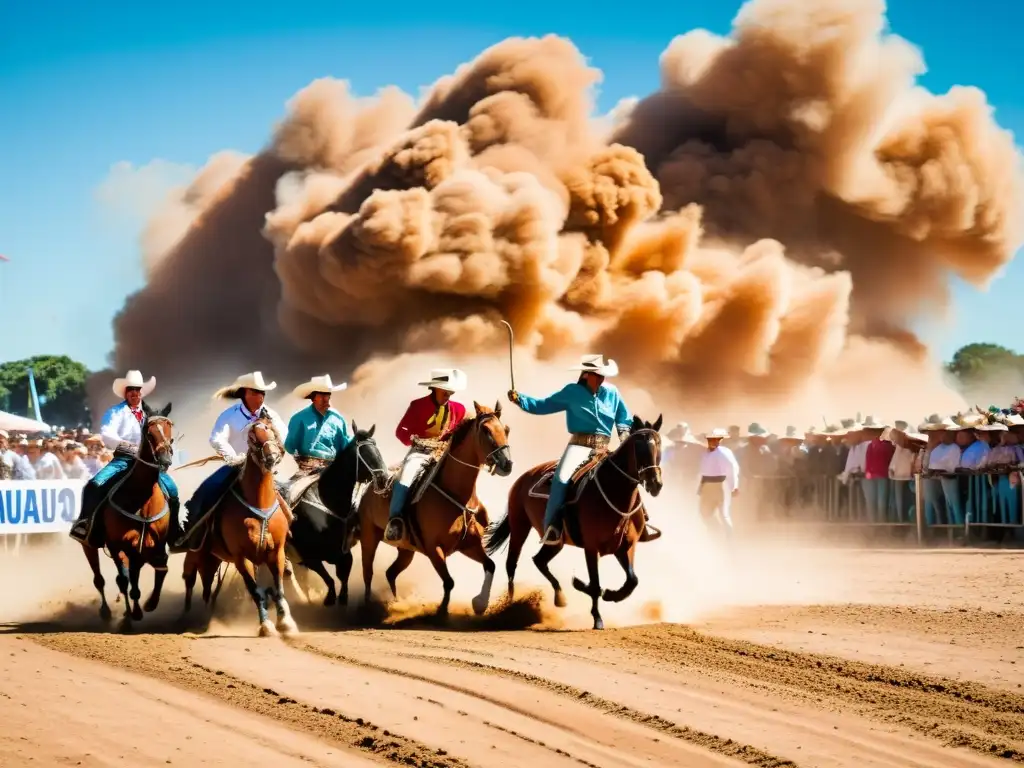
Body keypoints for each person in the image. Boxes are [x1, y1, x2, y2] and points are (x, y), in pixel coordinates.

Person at [508, 354, 656, 546]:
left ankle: (641, 521)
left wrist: (624, 436)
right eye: (597, 375)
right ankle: (552, 527)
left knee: (628, 474)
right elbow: (543, 405)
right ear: (586, 375)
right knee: (561, 478)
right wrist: (520, 399)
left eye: (603, 375)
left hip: (604, 447)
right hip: (579, 446)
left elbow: (623, 417)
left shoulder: (612, 392)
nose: (601, 378)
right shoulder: (572, 392)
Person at [171, 372, 287, 553]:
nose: (262, 396)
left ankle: (294, 542)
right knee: (206, 491)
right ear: (245, 393)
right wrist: (233, 457)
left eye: (263, 392)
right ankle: (192, 535)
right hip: (235, 466)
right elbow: (217, 439)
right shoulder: (229, 415)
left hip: (264, 468)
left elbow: (284, 435)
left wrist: (274, 451)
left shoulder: (271, 415)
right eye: (257, 392)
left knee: (287, 495)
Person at [68, 370, 180, 546]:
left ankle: (174, 531)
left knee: (172, 490)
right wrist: (128, 446)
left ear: (142, 392)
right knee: (93, 485)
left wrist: (163, 455)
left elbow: (162, 437)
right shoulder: (115, 412)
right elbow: (107, 434)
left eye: (138, 389)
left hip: (150, 463)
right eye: (131, 389)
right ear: (125, 392)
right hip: (123, 460)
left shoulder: (151, 414)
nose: (135, 393)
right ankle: (85, 524)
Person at [384, 368, 468, 544]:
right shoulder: (417, 405)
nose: (449, 394)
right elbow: (401, 431)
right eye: (445, 390)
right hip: (420, 453)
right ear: (435, 388)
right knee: (405, 479)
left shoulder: (459, 409)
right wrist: (412, 440)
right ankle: (395, 521)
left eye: (451, 391)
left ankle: (471, 515)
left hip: (445, 454)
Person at [284, 374, 353, 481]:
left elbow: (344, 446)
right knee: (288, 493)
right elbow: (290, 446)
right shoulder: (299, 419)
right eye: (322, 395)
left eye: (328, 395)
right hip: (306, 471)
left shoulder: (338, 419)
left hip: (333, 470)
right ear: (313, 398)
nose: (326, 399)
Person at [698, 427, 740, 538]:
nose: (711, 441)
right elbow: (704, 471)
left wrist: (734, 486)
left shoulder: (723, 452)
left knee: (723, 514)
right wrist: (701, 486)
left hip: (720, 485)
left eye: (714, 439)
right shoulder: (706, 453)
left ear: (719, 440)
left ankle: (729, 538)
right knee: (704, 513)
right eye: (709, 439)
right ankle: (716, 534)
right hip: (707, 486)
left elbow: (732, 469)